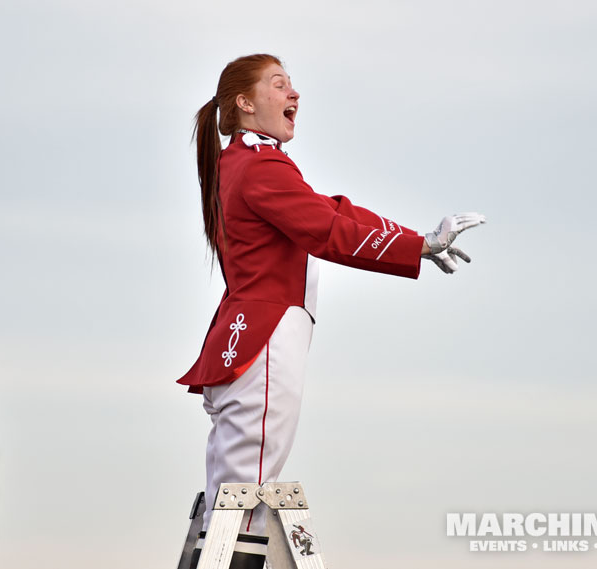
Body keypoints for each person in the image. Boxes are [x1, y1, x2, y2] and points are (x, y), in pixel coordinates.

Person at [178, 54, 485, 569]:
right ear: (245, 103)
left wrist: (418, 243)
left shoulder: (245, 163)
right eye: (279, 85)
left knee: (228, 501)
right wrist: (419, 247)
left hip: (247, 336)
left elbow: (333, 211)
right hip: (266, 342)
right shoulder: (260, 167)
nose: (294, 94)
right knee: (244, 508)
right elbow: (329, 229)